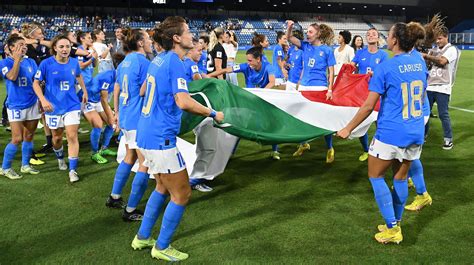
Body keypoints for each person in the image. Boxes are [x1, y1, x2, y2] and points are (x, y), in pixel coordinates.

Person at [130, 16, 224, 261]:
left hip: (146, 133)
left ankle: (142, 237)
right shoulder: (174, 62)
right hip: (161, 138)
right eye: (187, 31)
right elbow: (183, 101)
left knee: (162, 186)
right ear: (176, 38)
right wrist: (213, 113)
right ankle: (161, 246)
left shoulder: (158, 59)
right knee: (181, 194)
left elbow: (143, 91)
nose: (192, 35)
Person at [337, 22, 427, 244]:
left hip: (390, 132)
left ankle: (392, 227)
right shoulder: (419, 61)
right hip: (415, 130)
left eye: (390, 35)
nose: (387, 38)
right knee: (400, 177)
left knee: (376, 176)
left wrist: (348, 128)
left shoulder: (385, 68)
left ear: (395, 40)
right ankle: (395, 224)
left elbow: (368, 106)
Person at [106, 28, 152, 223]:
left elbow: (117, 88)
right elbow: (143, 92)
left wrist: (116, 112)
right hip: (136, 119)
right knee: (145, 163)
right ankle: (131, 209)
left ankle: (115, 196)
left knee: (129, 157)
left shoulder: (124, 62)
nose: (150, 41)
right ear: (140, 43)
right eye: (148, 38)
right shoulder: (143, 62)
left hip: (125, 116)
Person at [33, 34, 89, 183]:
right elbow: (36, 83)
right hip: (53, 107)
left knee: (72, 136)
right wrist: (43, 100)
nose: (65, 49)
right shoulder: (46, 64)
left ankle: (72, 170)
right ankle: (60, 158)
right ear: (55, 48)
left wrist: (84, 91)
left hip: (72, 105)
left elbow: (78, 76)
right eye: (62, 46)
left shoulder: (74, 62)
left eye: (68, 46)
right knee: (56, 138)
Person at [286, 20, 336, 163]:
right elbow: (289, 38)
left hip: (320, 88)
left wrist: (330, 89)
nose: (307, 34)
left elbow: (331, 71)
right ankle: (303, 144)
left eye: (310, 32)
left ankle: (330, 148)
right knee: (301, 117)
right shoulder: (305, 46)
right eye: (307, 32)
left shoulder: (327, 50)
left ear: (318, 34)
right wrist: (289, 27)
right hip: (304, 88)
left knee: (324, 120)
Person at [0, 34, 40, 179]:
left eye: (25, 45)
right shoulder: (5, 63)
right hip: (16, 105)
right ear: (11, 48)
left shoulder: (31, 62)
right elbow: (12, 77)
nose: (24, 47)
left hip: (33, 103)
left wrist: (41, 100)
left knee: (29, 136)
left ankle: (25, 165)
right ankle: (5, 167)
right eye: (20, 45)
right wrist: (16, 60)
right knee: (16, 138)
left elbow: (37, 82)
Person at [350, 28, 389, 162]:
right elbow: (352, 66)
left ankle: (382, 149)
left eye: (373, 34)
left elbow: (386, 73)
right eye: (368, 34)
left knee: (380, 123)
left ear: (378, 38)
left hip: (378, 94)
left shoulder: (383, 55)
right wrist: (347, 67)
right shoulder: (360, 53)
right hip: (362, 93)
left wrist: (376, 74)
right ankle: (366, 150)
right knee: (362, 123)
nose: (370, 36)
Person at [423, 26, 461, 150]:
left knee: (443, 114)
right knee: (425, 113)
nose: (437, 41)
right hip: (429, 86)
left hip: (443, 87)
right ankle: (423, 135)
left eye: (440, 39)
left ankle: (448, 139)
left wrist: (427, 56)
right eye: (436, 39)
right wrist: (425, 56)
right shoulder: (433, 49)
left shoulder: (451, 49)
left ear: (446, 37)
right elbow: (428, 65)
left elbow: (442, 61)